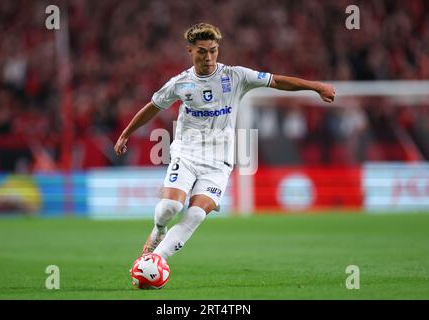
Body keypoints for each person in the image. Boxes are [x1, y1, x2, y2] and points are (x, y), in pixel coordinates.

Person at [114, 23, 335, 260]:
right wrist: (126, 133)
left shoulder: (236, 75)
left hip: (219, 161)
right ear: (190, 51)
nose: (208, 57)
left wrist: (316, 87)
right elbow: (153, 107)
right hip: (186, 153)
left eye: (213, 50)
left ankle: (154, 261)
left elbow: (276, 81)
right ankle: (158, 230)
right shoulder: (180, 83)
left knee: (197, 214)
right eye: (202, 51)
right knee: (171, 208)